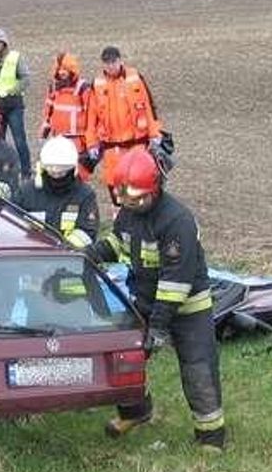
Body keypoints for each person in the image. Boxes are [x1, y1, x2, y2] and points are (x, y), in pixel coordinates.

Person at [86, 148, 225, 451]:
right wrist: (92, 254)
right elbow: (118, 241)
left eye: (136, 199)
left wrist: (158, 328)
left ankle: (211, 437)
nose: (130, 204)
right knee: (123, 358)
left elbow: (175, 284)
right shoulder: (129, 212)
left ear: (154, 190)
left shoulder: (177, 222)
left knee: (198, 369)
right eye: (125, 198)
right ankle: (136, 413)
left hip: (188, 308)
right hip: (146, 302)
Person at [84, 46, 163, 203]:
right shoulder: (97, 84)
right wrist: (91, 143)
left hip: (137, 144)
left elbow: (149, 107)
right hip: (112, 147)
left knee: (139, 180)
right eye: (107, 63)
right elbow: (91, 118)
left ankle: (143, 215)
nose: (110, 66)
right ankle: (119, 219)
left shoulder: (135, 78)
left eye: (113, 62)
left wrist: (155, 134)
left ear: (120, 61)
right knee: (114, 183)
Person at [13, 136, 99, 248]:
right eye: (51, 171)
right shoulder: (26, 192)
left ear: (73, 169)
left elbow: (88, 232)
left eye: (62, 172)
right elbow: (9, 224)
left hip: (67, 258)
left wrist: (63, 248)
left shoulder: (84, 195)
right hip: (31, 255)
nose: (56, 175)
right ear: (42, 168)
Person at [0, 28, 32, 179]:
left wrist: (13, 90)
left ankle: (26, 171)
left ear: (4, 44)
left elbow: (26, 78)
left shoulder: (15, 58)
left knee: (19, 140)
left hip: (13, 106)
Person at [39, 52, 94, 181]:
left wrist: (90, 142)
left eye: (65, 69)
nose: (62, 72)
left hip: (77, 141)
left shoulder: (83, 88)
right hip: (58, 138)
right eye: (59, 69)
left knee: (78, 176)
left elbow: (91, 114)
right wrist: (44, 130)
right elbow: (48, 108)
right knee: (58, 173)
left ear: (71, 70)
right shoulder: (53, 87)